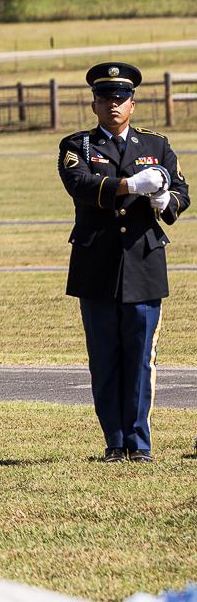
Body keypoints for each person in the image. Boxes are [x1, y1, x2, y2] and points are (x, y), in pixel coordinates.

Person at [58, 61, 189, 463]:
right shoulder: (76, 146)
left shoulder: (156, 146)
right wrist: (129, 185)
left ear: (132, 103)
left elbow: (181, 191)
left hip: (143, 262)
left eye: (121, 98)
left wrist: (168, 202)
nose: (114, 104)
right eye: (105, 98)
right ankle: (114, 441)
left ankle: (139, 442)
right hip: (96, 262)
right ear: (93, 104)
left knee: (140, 357)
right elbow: (80, 185)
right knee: (104, 356)